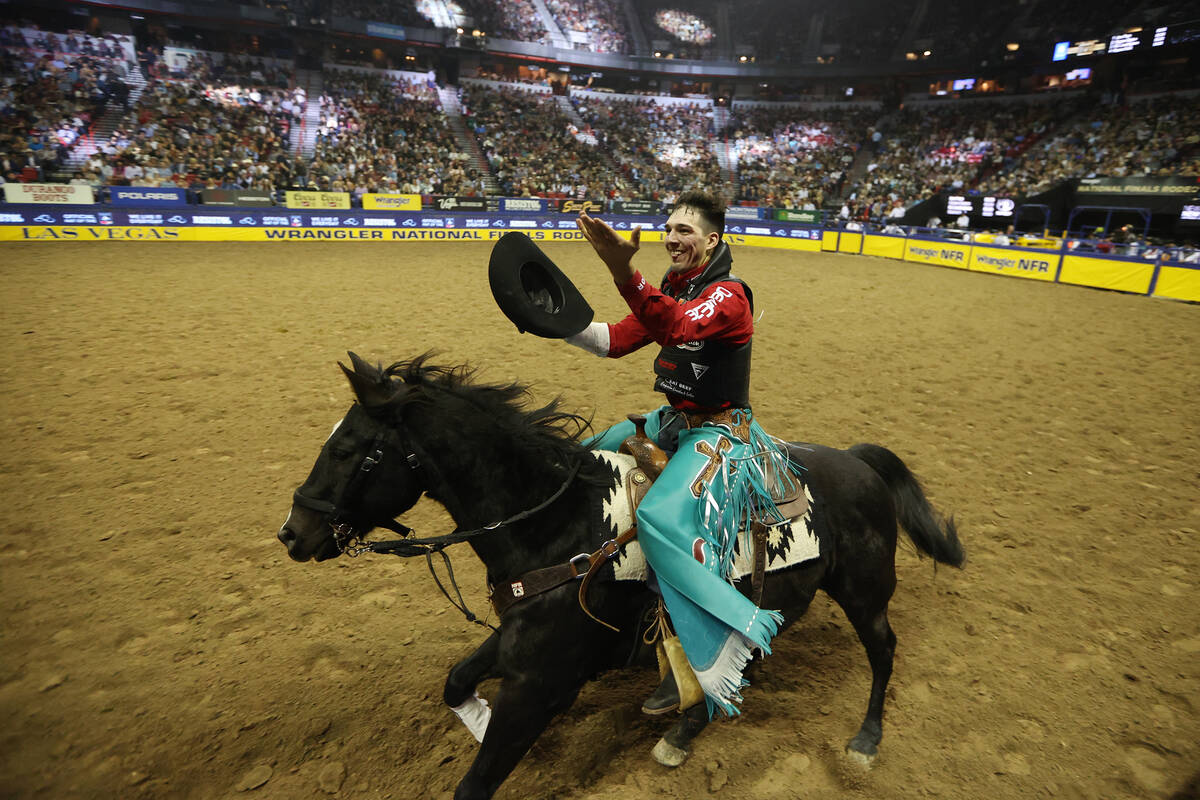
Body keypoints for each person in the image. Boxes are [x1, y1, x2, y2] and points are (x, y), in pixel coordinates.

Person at [569, 192, 801, 718]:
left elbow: (675, 327)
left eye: (685, 230)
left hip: (720, 432)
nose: (672, 237)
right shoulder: (677, 289)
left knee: (657, 516)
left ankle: (709, 648)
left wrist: (622, 270)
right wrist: (555, 319)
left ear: (713, 240)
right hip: (671, 420)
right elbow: (613, 340)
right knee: (581, 457)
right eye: (669, 228)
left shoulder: (729, 296)